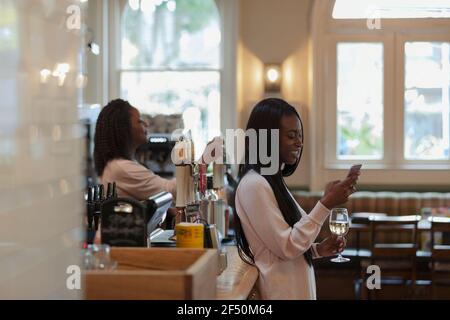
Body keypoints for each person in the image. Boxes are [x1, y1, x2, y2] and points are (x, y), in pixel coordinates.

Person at [234, 98, 360, 300]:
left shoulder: (272, 181)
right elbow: (287, 246)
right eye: (291, 136)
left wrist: (317, 250)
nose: (299, 143)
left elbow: (282, 245)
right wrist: (326, 203)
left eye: (300, 136)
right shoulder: (254, 185)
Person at [94, 99, 177, 200]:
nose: (146, 124)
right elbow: (171, 191)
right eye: (139, 121)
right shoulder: (121, 168)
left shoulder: (116, 165)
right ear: (124, 128)